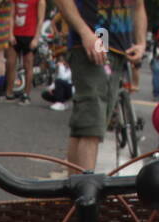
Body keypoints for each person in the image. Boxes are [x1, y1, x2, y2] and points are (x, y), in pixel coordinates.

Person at [54, 0, 147, 170]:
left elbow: (139, 6)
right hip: (91, 47)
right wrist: (86, 33)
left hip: (118, 52)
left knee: (87, 126)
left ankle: (77, 189)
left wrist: (141, 43)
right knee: (91, 127)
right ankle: (85, 192)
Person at [4, 0, 45, 103]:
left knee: (28, 65)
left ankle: (26, 94)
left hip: (29, 35)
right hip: (16, 34)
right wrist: (10, 34)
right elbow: (11, 15)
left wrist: (36, 38)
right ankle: (9, 93)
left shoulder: (40, 1)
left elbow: (40, 19)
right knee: (10, 63)